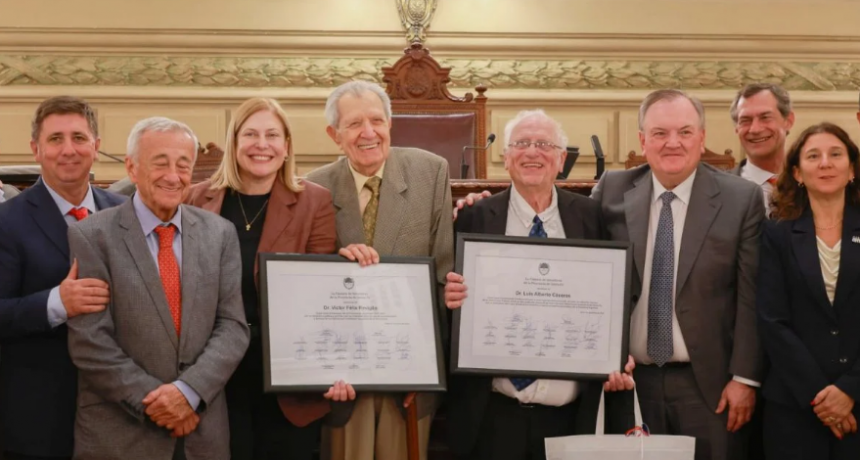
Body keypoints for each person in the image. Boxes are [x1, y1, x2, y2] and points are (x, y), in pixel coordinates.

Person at [443, 109, 634, 460]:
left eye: (544, 144)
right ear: (506, 157)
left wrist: (616, 351)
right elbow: (448, 301)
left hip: (570, 419)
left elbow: (612, 294)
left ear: (562, 159)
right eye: (522, 143)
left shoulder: (592, 218)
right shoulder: (472, 218)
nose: (533, 152)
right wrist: (448, 295)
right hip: (491, 416)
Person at [590, 89, 765, 460]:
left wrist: (745, 379)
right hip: (630, 384)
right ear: (642, 140)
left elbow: (752, 296)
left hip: (711, 387)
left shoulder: (741, 199)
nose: (673, 143)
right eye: (659, 133)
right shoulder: (611, 191)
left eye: (685, 132)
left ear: (702, 138)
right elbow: (574, 261)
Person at [65, 117, 250, 460]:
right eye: (160, 163)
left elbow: (233, 328)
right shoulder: (91, 235)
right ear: (132, 168)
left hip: (201, 433)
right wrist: (162, 403)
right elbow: (90, 341)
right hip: (120, 435)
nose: (173, 175)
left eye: (183, 165)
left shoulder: (220, 233)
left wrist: (189, 393)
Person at [186, 97, 343, 460]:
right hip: (214, 376)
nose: (262, 144)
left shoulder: (314, 202)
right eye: (251, 134)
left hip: (284, 378)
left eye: (273, 135)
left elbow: (320, 294)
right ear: (234, 142)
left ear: (286, 146)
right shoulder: (197, 198)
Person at [306, 80, 454, 460]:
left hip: (410, 378)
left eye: (377, 120)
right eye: (354, 124)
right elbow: (306, 287)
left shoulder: (430, 173)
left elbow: (443, 275)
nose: (368, 133)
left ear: (391, 124)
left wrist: (425, 369)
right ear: (334, 135)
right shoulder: (314, 188)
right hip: (341, 379)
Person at [0, 96, 125, 460]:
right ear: (35, 149)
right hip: (39, 423)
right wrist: (57, 303)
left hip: (121, 415)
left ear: (96, 147)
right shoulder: (6, 223)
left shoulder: (125, 213)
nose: (68, 150)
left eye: (79, 138)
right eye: (55, 139)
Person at [757, 122, 860, 459]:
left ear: (852, 169)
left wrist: (849, 390)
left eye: (836, 154)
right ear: (798, 173)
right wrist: (820, 395)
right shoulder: (777, 234)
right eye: (813, 156)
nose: (825, 163)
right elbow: (772, 321)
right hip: (794, 406)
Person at [729, 83, 796, 215]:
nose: (755, 129)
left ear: (788, 121)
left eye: (765, 117)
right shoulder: (717, 191)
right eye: (745, 120)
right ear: (737, 128)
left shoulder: (811, 183)